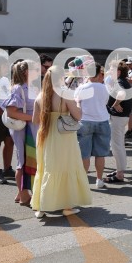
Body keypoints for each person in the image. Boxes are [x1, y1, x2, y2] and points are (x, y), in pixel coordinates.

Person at [31, 66, 92, 218]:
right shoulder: (65, 94)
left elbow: (34, 120)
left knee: (46, 169)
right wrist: (77, 103)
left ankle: (41, 207)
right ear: (60, 78)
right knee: (65, 167)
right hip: (63, 137)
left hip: (45, 136)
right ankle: (66, 206)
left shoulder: (40, 96)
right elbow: (78, 115)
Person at [75, 65, 114, 188]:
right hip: (102, 120)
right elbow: (105, 102)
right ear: (98, 74)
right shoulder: (105, 88)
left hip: (85, 120)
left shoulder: (81, 88)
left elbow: (77, 103)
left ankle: (83, 182)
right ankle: (99, 180)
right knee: (100, 154)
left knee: (84, 154)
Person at [5, 60, 38, 205]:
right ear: (26, 72)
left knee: (28, 158)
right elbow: (11, 111)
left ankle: (20, 193)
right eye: (35, 69)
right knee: (23, 160)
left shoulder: (29, 87)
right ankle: (24, 195)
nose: (38, 71)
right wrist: (33, 118)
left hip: (31, 128)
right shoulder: (18, 88)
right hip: (24, 129)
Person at [106, 61, 132, 183]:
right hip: (121, 117)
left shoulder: (120, 82)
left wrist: (115, 104)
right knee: (119, 145)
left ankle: (120, 174)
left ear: (118, 72)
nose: (109, 72)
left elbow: (121, 94)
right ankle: (119, 170)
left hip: (118, 117)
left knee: (116, 146)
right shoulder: (122, 81)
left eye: (112, 70)